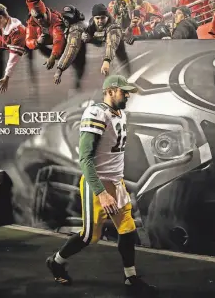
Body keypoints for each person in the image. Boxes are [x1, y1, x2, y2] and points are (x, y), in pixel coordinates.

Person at [46, 74, 157, 296]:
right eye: (123, 91)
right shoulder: (96, 113)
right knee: (90, 236)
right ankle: (55, 262)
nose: (126, 95)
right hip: (97, 183)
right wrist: (101, 193)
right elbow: (85, 159)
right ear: (110, 91)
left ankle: (130, 277)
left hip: (117, 182)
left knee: (127, 229)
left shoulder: (120, 114)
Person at [0, 3, 26, 93]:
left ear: (0, 17)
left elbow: (13, 58)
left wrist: (6, 77)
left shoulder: (17, 31)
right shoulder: (5, 25)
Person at [82, 3, 129, 76]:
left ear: (107, 17)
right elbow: (87, 34)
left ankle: (128, 74)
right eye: (97, 18)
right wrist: (84, 36)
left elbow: (112, 43)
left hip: (115, 39)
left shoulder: (113, 25)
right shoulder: (92, 22)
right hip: (101, 38)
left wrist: (107, 61)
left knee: (122, 56)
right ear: (94, 18)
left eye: (103, 18)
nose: (100, 21)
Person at [25, 0, 66, 70]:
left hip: (61, 46)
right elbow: (28, 40)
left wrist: (52, 57)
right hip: (45, 46)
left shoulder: (55, 19)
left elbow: (59, 39)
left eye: (41, 16)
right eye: (36, 17)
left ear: (45, 12)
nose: (39, 20)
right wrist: (36, 42)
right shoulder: (31, 23)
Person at [53, 5, 87, 88]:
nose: (65, 19)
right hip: (75, 55)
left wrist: (59, 69)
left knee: (78, 72)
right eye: (64, 17)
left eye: (68, 17)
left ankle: (78, 85)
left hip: (78, 56)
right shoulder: (71, 25)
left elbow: (71, 49)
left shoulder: (76, 29)